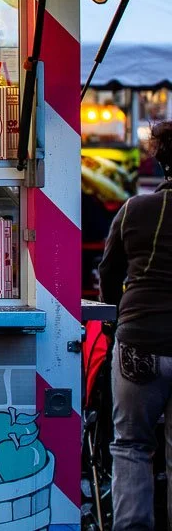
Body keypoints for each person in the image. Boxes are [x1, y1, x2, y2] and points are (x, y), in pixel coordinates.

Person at [98, 120, 172, 531]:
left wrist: (115, 313)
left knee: (130, 446)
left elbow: (108, 276)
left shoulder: (134, 211)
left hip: (138, 342)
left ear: (161, 162)